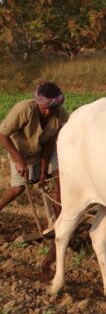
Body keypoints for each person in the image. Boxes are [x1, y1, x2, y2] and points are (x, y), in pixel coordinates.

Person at [0, 81, 69, 217]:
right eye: (44, 108)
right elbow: (3, 134)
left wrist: (43, 171)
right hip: (21, 151)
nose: (48, 111)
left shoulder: (61, 114)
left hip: (46, 149)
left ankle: (58, 220)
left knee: (59, 179)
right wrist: (19, 160)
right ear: (38, 102)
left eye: (52, 107)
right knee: (18, 188)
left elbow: (50, 143)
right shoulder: (24, 109)